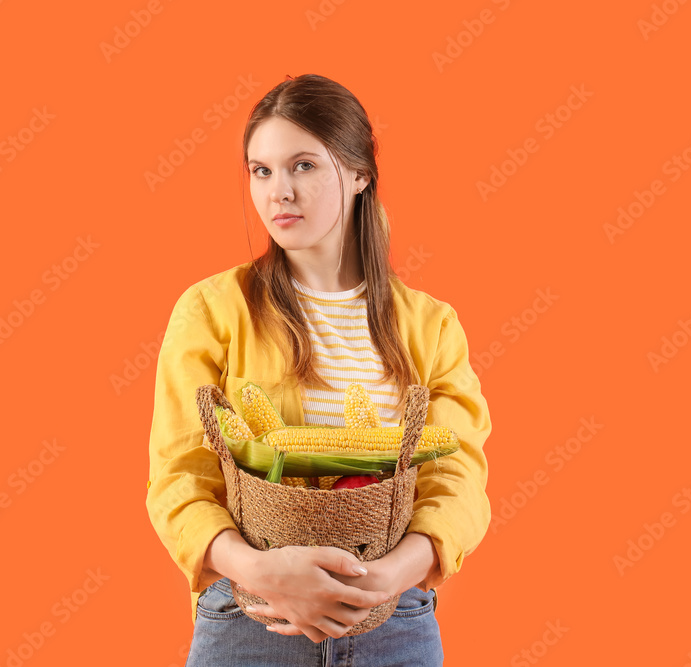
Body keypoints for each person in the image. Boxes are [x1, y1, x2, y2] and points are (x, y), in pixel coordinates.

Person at [145, 73, 492, 666]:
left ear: (358, 175)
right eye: (262, 170)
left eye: (303, 165)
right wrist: (261, 569)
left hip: (392, 622)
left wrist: (385, 578)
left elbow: (456, 480)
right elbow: (179, 478)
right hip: (252, 618)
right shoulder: (211, 311)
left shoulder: (431, 326)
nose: (279, 191)